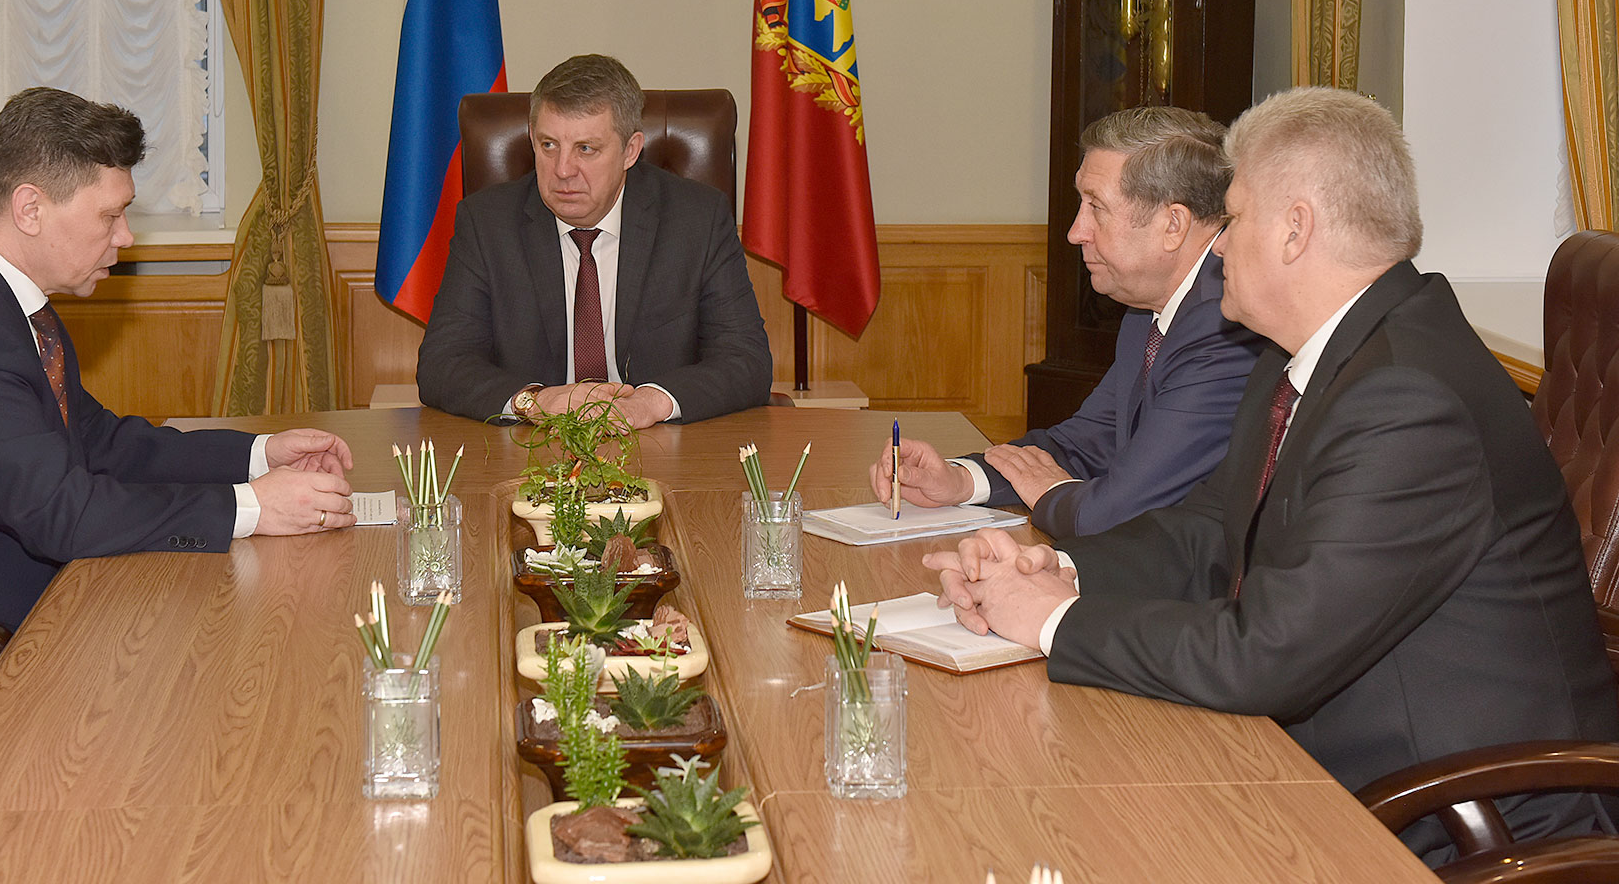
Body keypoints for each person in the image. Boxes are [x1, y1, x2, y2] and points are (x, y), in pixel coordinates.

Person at [927, 87, 1619, 863]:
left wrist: (1053, 621)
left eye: (1234, 217)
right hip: (1328, 768)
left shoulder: (1409, 398)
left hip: (1462, 822)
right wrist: (1057, 570)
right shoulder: (1306, 357)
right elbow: (1206, 532)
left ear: (1296, 229)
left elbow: (1268, 655)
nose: (1218, 247)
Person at [0, 87, 356, 728]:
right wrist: (253, 508)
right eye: (111, 216)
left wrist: (257, 455)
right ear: (30, 208)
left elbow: (98, 442)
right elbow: (62, 514)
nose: (126, 237)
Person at [870, 107, 1264, 536]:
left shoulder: (1226, 327)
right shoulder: (1148, 308)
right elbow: (1087, 442)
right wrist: (961, 480)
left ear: (1173, 224)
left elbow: (1117, 510)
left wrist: (1049, 491)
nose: (1076, 232)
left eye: (1096, 207)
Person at [416, 54, 772, 427]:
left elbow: (746, 359)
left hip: (659, 444)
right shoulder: (488, 223)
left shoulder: (697, 219)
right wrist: (535, 401)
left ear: (630, 151)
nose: (562, 170)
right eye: (548, 145)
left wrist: (650, 403)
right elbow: (442, 363)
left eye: (586, 148)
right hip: (531, 447)